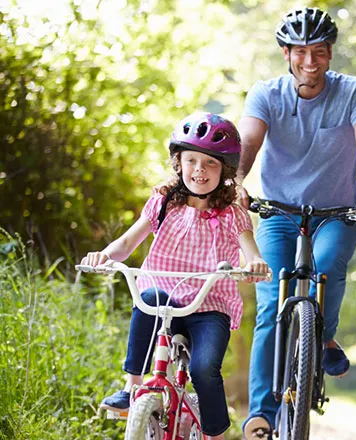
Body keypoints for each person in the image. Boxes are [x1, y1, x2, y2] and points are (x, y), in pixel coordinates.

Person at [236, 6, 356, 438]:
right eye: (302, 52)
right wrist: (234, 181)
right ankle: (262, 415)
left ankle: (322, 335)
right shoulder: (266, 94)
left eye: (320, 52)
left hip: (337, 213)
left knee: (327, 266)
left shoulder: (354, 91)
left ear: (330, 54)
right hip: (277, 213)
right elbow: (249, 140)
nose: (311, 62)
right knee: (272, 302)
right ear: (286, 54)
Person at [81, 113, 270, 439]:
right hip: (164, 298)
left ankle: (215, 434)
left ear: (224, 171)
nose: (199, 169)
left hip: (209, 305)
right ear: (178, 163)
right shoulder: (163, 203)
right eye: (191, 160)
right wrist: (104, 256)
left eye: (210, 164)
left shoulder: (231, 213)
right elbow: (127, 243)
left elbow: (249, 248)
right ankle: (133, 387)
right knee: (148, 297)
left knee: (203, 369)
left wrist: (255, 263)